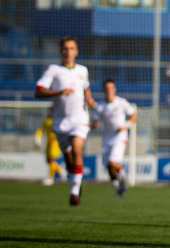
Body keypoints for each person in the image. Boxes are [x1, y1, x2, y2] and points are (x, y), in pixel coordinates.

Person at [34, 36, 96, 206]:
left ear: (76, 51)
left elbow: (86, 88)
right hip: (60, 121)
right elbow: (38, 92)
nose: (68, 52)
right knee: (69, 159)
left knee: (77, 150)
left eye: (72, 48)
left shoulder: (83, 70)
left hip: (80, 119)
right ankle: (76, 180)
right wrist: (59, 92)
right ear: (60, 51)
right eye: (65, 48)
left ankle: (74, 193)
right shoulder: (53, 70)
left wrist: (89, 100)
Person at [91, 79, 136, 197]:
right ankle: (119, 189)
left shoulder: (121, 102)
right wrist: (94, 125)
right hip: (107, 138)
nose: (109, 90)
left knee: (113, 162)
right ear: (103, 90)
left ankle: (123, 178)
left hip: (119, 137)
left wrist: (125, 126)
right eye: (107, 88)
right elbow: (95, 122)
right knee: (109, 167)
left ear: (114, 89)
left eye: (111, 88)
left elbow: (133, 116)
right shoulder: (100, 105)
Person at [34, 107, 64, 185]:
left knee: (51, 160)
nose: (51, 112)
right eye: (50, 111)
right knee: (48, 160)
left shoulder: (58, 120)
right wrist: (38, 137)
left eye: (52, 111)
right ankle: (60, 170)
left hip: (55, 143)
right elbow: (40, 129)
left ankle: (50, 179)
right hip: (48, 143)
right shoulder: (46, 121)